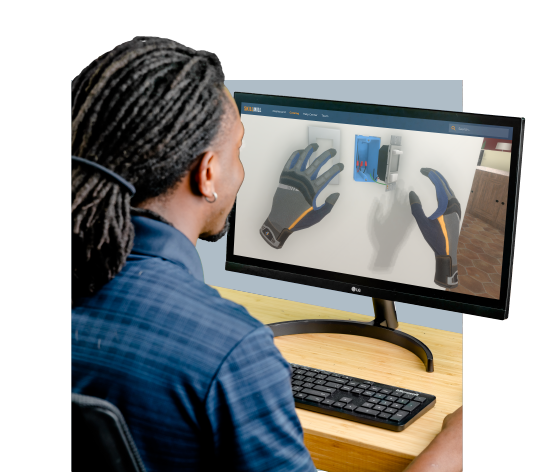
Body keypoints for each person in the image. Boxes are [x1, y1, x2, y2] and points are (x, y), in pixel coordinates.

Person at [71, 37, 462, 472]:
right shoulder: (230, 350)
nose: (242, 171)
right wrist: (454, 448)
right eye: (238, 151)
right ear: (208, 173)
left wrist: (276, 229)